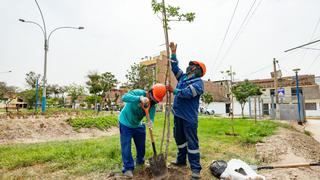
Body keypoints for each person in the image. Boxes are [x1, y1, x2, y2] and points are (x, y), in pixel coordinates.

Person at [167, 42, 206, 180]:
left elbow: (188, 93)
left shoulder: (199, 83)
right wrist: (173, 53)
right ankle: (181, 160)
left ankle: (195, 169)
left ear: (198, 70)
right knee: (179, 139)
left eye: (193, 65)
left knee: (192, 142)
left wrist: (175, 90)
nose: (190, 67)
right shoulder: (183, 77)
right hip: (178, 114)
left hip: (189, 118)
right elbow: (174, 67)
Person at [119, 83, 167, 178]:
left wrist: (151, 122)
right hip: (125, 123)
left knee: (141, 146)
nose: (153, 101)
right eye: (153, 98)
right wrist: (139, 98)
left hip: (138, 125)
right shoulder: (138, 92)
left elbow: (151, 117)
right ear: (150, 92)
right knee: (126, 146)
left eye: (155, 101)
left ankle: (140, 162)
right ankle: (128, 168)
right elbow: (124, 97)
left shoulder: (152, 106)